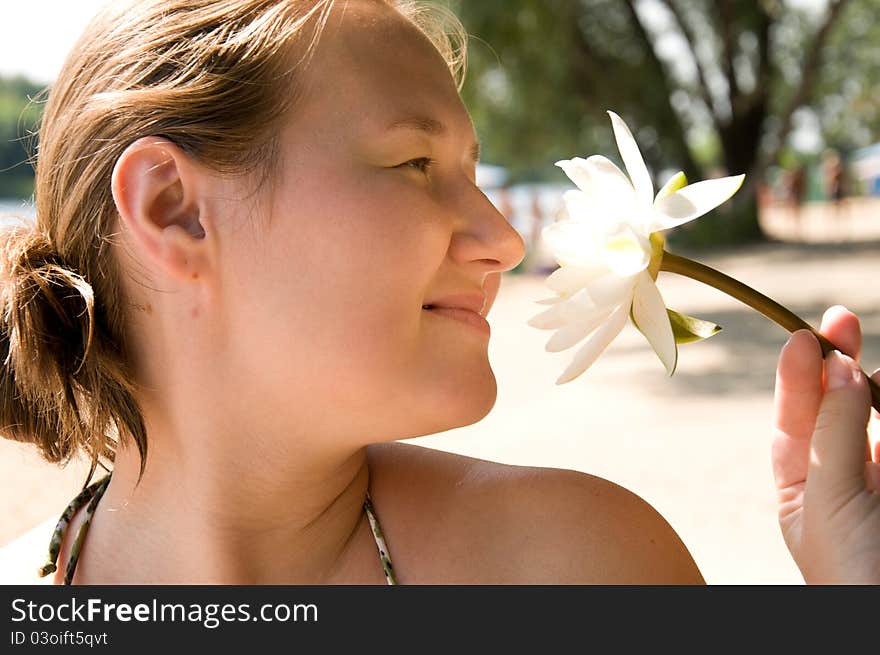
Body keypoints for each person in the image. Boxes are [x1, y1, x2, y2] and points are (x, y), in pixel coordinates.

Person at [0, 0, 876, 586]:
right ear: (175, 210)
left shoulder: (577, 566)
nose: (504, 238)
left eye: (470, 169)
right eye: (416, 164)